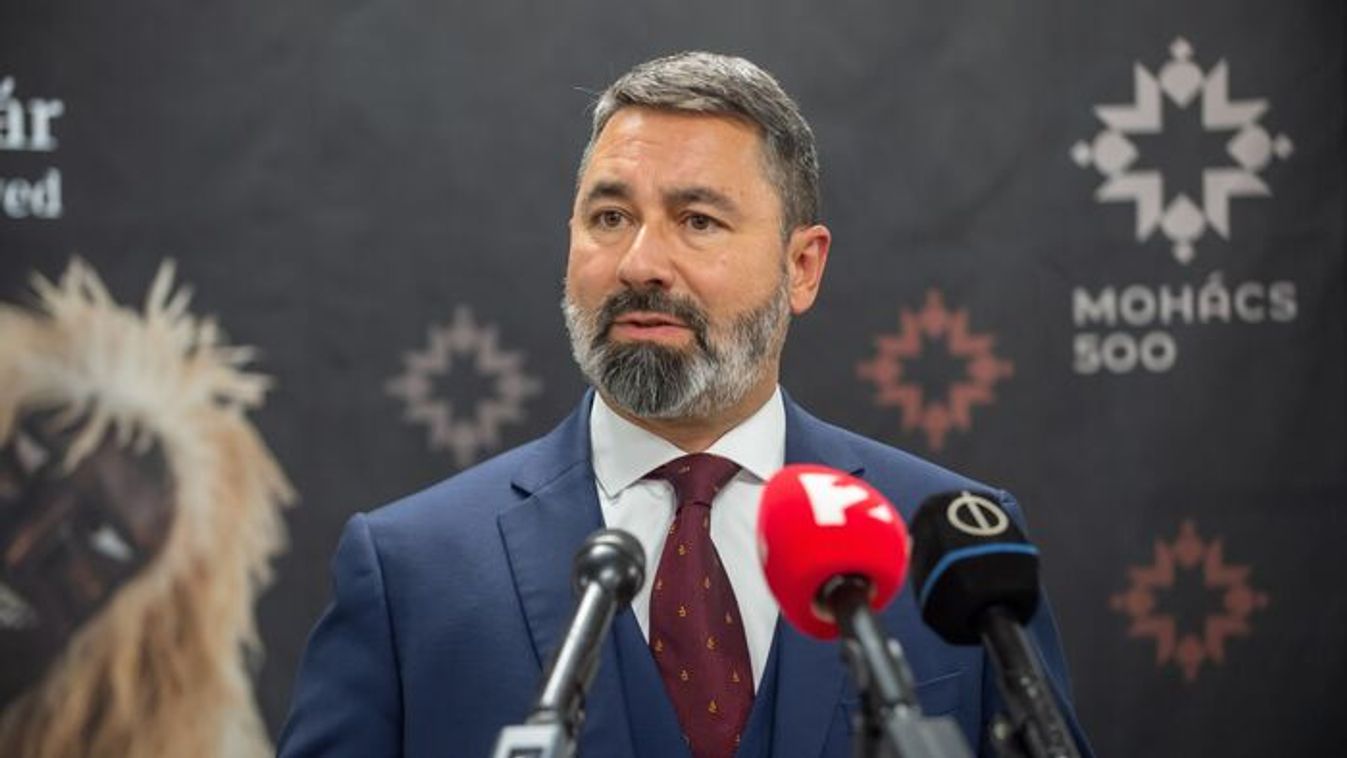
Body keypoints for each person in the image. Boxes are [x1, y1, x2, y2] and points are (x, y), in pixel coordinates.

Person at [278, 51, 1092, 758]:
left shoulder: (946, 548)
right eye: (609, 217)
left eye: (697, 220)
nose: (640, 262)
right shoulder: (410, 570)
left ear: (801, 267)